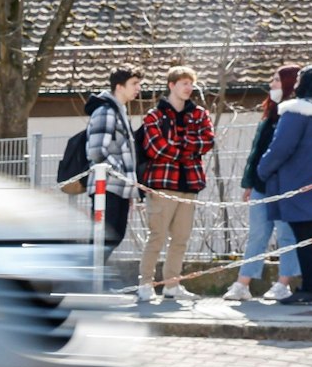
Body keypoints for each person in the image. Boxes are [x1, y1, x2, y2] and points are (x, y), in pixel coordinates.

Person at [257, 62, 312, 306]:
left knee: (305, 236)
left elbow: (281, 148)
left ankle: (310, 289)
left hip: (300, 184)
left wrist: (262, 171)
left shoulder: (296, 113)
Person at [136, 66, 216, 303]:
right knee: (157, 235)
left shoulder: (200, 114)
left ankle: (172, 284)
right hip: (162, 183)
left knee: (181, 237)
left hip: (189, 184)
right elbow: (155, 148)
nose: (189, 88)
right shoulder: (154, 116)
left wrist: (178, 146)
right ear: (171, 85)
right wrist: (187, 149)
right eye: (184, 83)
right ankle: (145, 283)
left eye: (191, 83)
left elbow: (207, 141)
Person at [227, 65, 303, 301]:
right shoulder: (269, 114)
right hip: (262, 186)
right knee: (258, 234)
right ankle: (242, 284)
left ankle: (283, 283)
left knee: (286, 235)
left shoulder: (297, 115)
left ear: (289, 85)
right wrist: (250, 182)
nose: (271, 85)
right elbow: (257, 151)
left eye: (276, 81)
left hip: (286, 187)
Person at [84, 66, 143, 263]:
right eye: (134, 84)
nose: (138, 88)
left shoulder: (119, 112)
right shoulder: (105, 111)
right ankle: (87, 281)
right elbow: (96, 151)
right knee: (104, 237)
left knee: (114, 235)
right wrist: (118, 173)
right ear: (119, 86)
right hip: (106, 186)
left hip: (118, 187)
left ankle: (91, 280)